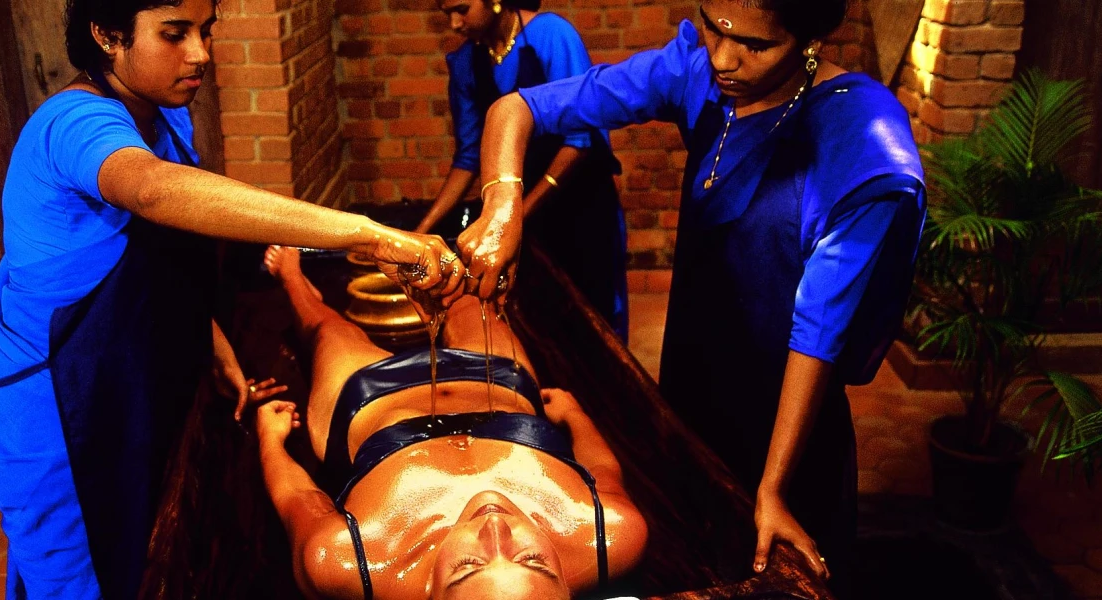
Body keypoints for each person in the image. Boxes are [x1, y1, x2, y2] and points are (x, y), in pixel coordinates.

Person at [0, 0, 462, 597]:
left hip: (131, 380)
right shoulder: (72, 125)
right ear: (106, 35)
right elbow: (152, 192)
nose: (201, 53)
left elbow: (156, 267)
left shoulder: (166, 118)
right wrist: (369, 233)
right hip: (63, 409)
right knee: (82, 575)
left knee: (149, 554)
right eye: (174, 34)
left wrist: (223, 359)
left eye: (206, 32)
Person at [456, 0, 927, 596]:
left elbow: (819, 326)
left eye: (755, 45)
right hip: (690, 379)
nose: (724, 58)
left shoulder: (856, 140)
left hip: (784, 414)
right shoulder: (695, 71)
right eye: (713, 25)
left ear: (809, 37)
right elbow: (516, 108)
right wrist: (503, 208)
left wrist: (774, 488)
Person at [254, 245, 647, 600]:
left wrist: (270, 441)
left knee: (327, 329)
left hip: (370, 402)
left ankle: (294, 281)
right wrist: (574, 416)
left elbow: (298, 500)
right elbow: (601, 471)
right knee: (471, 302)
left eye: (468, 567)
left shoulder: (348, 563)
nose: (496, 526)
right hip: (495, 382)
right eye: (533, 560)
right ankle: (444, 261)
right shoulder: (610, 535)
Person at [415, 0, 630, 340]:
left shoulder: (551, 35)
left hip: (581, 204)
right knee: (540, 325)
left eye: (461, 9)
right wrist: (423, 229)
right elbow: (469, 156)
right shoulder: (467, 63)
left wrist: (513, 215)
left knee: (595, 319)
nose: (455, 24)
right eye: (446, 14)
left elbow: (581, 139)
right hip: (521, 210)